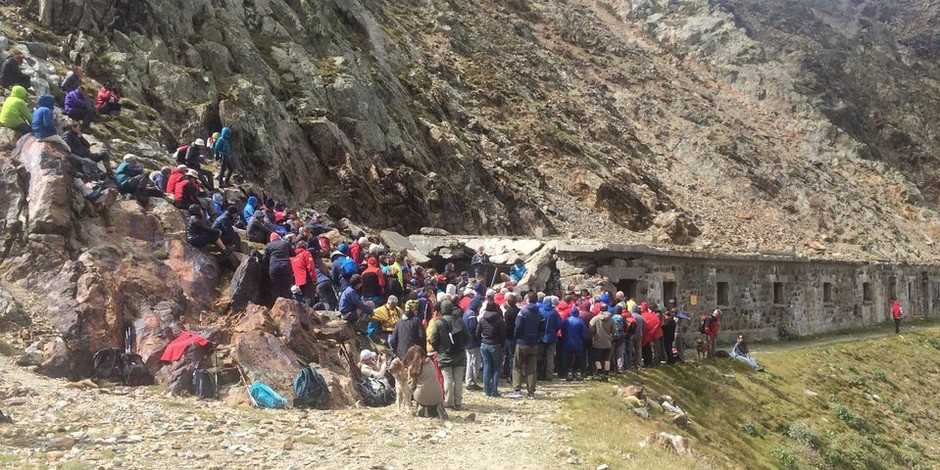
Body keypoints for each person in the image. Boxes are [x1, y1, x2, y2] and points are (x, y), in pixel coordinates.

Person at [429, 300, 469, 410]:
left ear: (442, 310)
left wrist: (440, 349)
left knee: (448, 379)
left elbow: (433, 340)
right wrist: (462, 347)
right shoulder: (460, 321)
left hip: (444, 355)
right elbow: (467, 336)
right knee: (458, 380)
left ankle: (449, 402)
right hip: (460, 354)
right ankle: (458, 403)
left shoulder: (439, 323)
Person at [508, 292, 544, 399]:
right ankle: (531, 392)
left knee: (517, 366)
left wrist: (517, 337)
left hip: (522, 342)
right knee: (532, 368)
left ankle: (517, 390)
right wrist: (537, 337)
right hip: (534, 343)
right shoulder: (540, 314)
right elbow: (542, 329)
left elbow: (518, 327)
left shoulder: (523, 312)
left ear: (527, 299)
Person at [404, 346, 445, 418]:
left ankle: (422, 407)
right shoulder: (430, 362)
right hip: (439, 396)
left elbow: (410, 386)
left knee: (417, 391)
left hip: (422, 396)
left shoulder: (413, 367)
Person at [476, 300, 505, 397]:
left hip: (484, 344)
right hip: (495, 344)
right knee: (497, 368)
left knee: (486, 367)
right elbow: (502, 334)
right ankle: (494, 390)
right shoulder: (500, 319)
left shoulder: (482, 319)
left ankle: (486, 390)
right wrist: (502, 344)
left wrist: (482, 340)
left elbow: (477, 332)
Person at [561, 305, 588, 381]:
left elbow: (562, 330)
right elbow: (584, 333)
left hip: (567, 342)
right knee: (578, 358)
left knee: (568, 358)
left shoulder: (566, 320)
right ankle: (578, 373)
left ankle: (569, 372)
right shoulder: (580, 321)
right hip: (578, 343)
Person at [264, 232, 293, 300]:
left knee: (275, 287)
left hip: (274, 267)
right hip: (286, 266)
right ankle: (286, 303)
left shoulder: (268, 245)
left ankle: (276, 305)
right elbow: (293, 253)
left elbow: (265, 259)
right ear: (279, 238)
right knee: (286, 286)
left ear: (271, 239)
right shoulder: (285, 243)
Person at [539, 296, 562, 380]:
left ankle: (540, 373)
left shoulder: (540, 311)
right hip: (552, 337)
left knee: (540, 356)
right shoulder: (554, 312)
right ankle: (549, 375)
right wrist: (555, 330)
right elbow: (559, 324)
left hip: (541, 337)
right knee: (550, 357)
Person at [589, 305, 614, 381]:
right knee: (607, 359)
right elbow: (614, 330)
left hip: (598, 342)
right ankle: (606, 375)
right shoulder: (611, 319)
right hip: (608, 342)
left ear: (600, 309)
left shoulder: (596, 318)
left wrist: (593, 334)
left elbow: (591, 327)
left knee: (597, 359)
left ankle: (599, 374)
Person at [463, 300, 482, 392]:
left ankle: (469, 381)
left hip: (466, 341)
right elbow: (473, 328)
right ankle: (472, 382)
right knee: (475, 363)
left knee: (470, 362)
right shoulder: (472, 315)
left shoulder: (466, 312)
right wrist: (478, 338)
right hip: (473, 342)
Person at [290, 240, 317, 305]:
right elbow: (310, 266)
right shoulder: (306, 253)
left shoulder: (292, 256)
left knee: (304, 297)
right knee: (309, 297)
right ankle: (309, 313)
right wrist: (314, 278)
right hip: (306, 278)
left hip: (298, 280)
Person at [502, 292, 520, 379]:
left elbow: (507, 326)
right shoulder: (519, 311)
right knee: (514, 355)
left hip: (509, 336)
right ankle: (512, 373)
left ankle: (510, 374)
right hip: (517, 336)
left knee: (510, 355)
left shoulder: (507, 313)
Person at [641, 302, 662, 367]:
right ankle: (654, 362)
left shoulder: (644, 315)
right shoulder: (653, 314)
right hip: (655, 334)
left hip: (650, 334)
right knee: (653, 349)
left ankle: (654, 363)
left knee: (652, 349)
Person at [610, 306, 626, 372]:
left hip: (613, 338)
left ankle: (614, 367)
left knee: (612, 353)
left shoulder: (612, 318)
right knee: (620, 354)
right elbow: (625, 327)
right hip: (621, 338)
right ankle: (620, 368)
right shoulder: (622, 318)